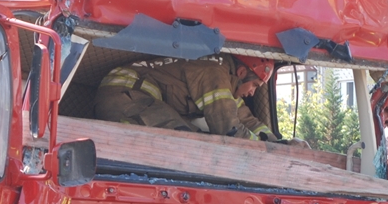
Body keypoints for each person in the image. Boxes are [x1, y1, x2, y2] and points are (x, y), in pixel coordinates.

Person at [96, 54, 276, 140]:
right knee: (186, 139)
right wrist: (261, 148)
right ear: (242, 72)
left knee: (193, 138)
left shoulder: (227, 85)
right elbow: (228, 127)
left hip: (134, 96)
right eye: (254, 86)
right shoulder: (214, 73)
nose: (252, 92)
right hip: (124, 92)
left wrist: (278, 143)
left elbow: (247, 120)